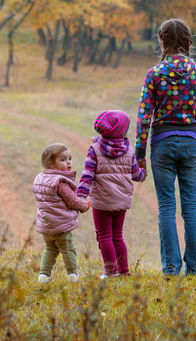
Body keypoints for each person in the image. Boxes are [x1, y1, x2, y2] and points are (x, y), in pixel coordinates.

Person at [136, 19, 196, 275]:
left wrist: (139, 153)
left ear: (162, 40)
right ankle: (194, 269)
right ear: (188, 40)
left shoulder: (154, 74)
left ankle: (170, 267)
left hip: (162, 143)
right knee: (191, 206)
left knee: (167, 206)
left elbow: (144, 115)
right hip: (190, 143)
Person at [77, 110, 146, 278]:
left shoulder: (95, 150)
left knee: (104, 236)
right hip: (121, 201)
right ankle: (123, 271)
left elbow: (87, 175)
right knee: (117, 236)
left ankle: (110, 271)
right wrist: (144, 171)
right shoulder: (129, 150)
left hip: (102, 201)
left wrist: (79, 196)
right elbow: (137, 175)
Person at [33, 143, 90, 283]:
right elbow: (73, 201)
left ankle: (44, 275)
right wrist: (85, 204)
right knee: (67, 249)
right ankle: (73, 275)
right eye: (63, 160)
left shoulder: (39, 178)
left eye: (69, 158)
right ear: (51, 164)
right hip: (60, 224)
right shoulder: (60, 182)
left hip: (46, 224)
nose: (69, 162)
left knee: (50, 248)